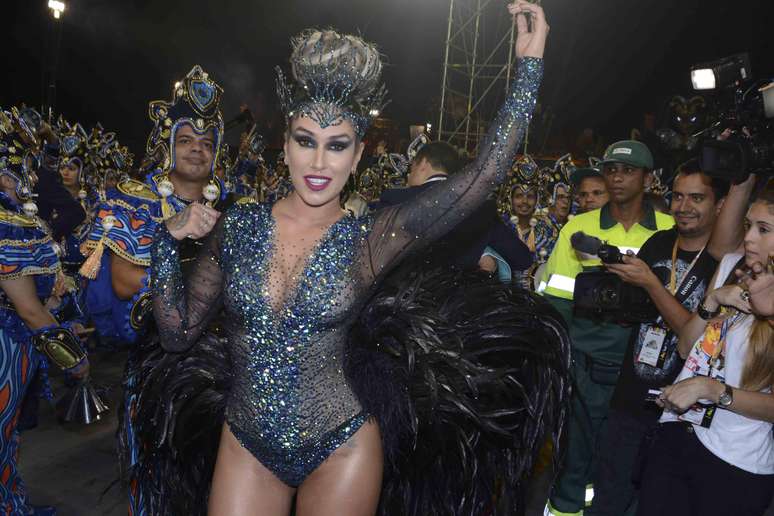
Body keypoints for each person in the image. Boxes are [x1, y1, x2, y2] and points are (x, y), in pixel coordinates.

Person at [148, 4, 562, 515]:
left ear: (358, 155)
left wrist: (528, 67)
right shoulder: (239, 227)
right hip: (246, 446)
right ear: (285, 146)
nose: (319, 163)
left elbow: (481, 177)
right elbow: (176, 333)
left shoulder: (374, 237)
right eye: (306, 142)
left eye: (337, 146)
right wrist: (164, 242)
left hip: (340, 447)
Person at [78, 64, 240, 514]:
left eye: (207, 143)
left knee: (204, 482)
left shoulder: (230, 204)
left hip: (215, 370)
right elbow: (125, 281)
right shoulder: (135, 199)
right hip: (155, 363)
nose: (197, 150)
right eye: (186, 140)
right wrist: (174, 237)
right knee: (151, 478)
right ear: (166, 145)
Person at [587, 160, 734, 515]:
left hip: (681, 414)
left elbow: (692, 336)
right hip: (629, 399)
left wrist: (651, 283)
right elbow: (641, 311)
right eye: (678, 197)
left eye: (696, 198)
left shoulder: (726, 263)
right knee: (608, 499)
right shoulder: (658, 242)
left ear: (719, 205)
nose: (683, 207)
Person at [541, 139, 675, 516]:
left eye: (628, 171)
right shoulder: (579, 228)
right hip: (587, 363)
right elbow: (558, 301)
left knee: (629, 463)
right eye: (611, 170)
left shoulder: (668, 230)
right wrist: (561, 362)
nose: (617, 178)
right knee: (575, 458)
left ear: (648, 179)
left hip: (645, 368)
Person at [636, 179, 774, 516]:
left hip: (736, 462)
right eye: (748, 226)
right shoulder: (732, 266)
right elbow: (686, 348)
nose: (749, 237)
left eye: (764, 229)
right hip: (676, 433)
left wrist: (712, 390)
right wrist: (711, 301)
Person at [0, 109, 91, 515]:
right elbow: (30, 313)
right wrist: (75, 361)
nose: (31, 176)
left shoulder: (15, 218)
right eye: (23, 167)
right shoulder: (5, 223)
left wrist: (54, 303)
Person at [377, 141, 533, 275]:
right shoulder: (481, 208)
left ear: (423, 163)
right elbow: (522, 258)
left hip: (405, 304)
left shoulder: (395, 200)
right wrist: (486, 252)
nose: (409, 177)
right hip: (458, 305)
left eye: (411, 169)